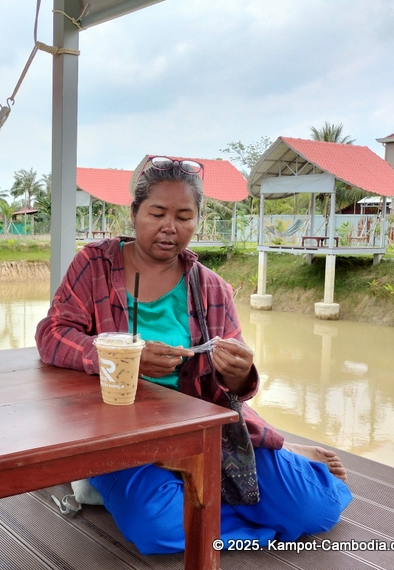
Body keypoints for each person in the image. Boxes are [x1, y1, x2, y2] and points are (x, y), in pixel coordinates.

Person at [35, 156, 352, 555]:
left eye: (184, 216)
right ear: (134, 213)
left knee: (316, 510)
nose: (170, 227)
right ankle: (225, 508)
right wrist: (120, 357)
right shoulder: (94, 264)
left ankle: (233, 478)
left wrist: (238, 374)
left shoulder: (212, 288)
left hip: (206, 431)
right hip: (120, 433)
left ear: (197, 220)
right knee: (158, 531)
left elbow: (234, 389)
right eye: (158, 213)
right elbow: (52, 334)